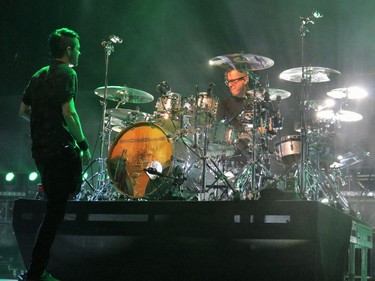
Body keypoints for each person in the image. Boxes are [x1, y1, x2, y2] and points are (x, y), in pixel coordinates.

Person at [18, 27, 91, 281]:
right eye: (78, 48)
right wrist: (83, 144)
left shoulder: (38, 75)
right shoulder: (68, 73)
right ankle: (36, 272)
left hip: (40, 150)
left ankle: (36, 270)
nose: (80, 53)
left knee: (53, 208)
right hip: (59, 151)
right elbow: (69, 112)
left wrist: (42, 124)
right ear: (68, 50)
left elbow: (23, 109)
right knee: (56, 210)